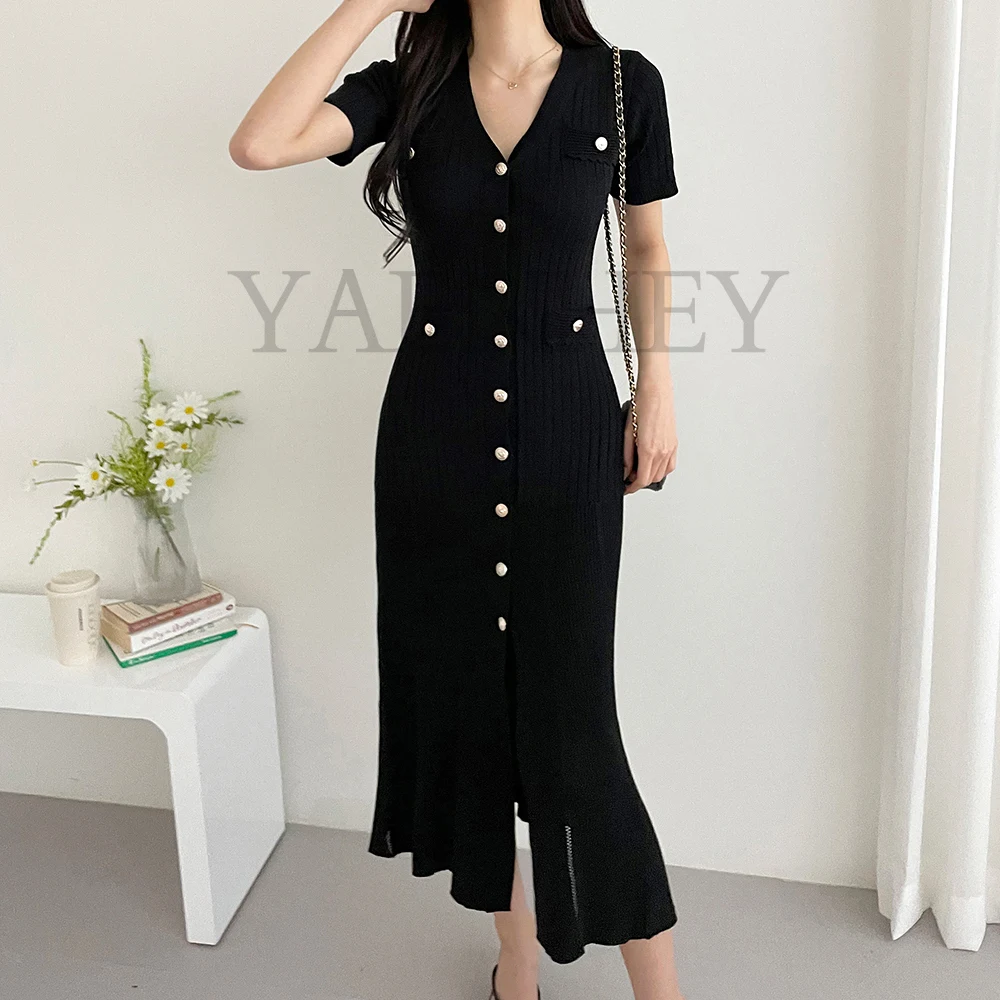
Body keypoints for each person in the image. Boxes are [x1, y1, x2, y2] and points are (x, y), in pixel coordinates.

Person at [230, 1, 683, 997]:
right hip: (434, 441)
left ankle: (661, 988)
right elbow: (259, 145)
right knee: (466, 709)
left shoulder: (621, 83)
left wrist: (655, 386)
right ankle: (514, 960)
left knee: (575, 724)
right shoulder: (411, 86)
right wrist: (366, 5)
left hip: (569, 429)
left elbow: (645, 247)